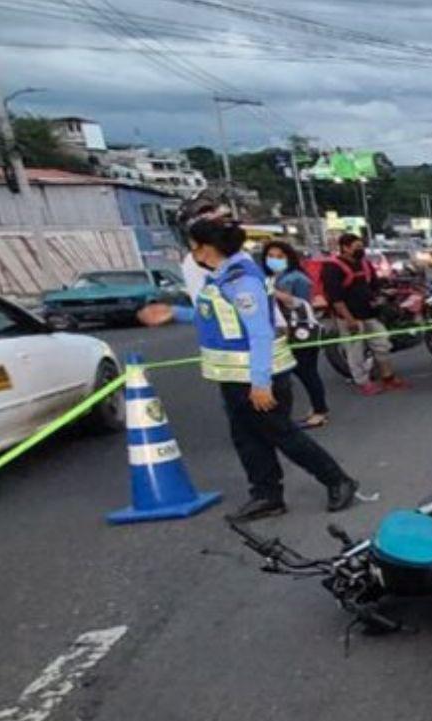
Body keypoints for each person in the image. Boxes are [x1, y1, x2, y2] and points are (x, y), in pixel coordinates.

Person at [139, 217, 358, 521]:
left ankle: (337, 480)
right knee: (248, 439)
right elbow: (217, 316)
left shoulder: (241, 280)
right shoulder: (222, 276)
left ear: (205, 249)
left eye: (193, 247)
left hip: (256, 377)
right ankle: (267, 495)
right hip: (235, 377)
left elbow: (260, 333)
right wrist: (174, 313)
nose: (192, 253)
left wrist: (260, 382)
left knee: (282, 434)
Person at [323, 233, 407, 395]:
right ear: (345, 248)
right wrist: (349, 319)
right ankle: (363, 382)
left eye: (361, 247)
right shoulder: (333, 268)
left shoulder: (365, 264)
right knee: (355, 351)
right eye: (357, 247)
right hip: (349, 317)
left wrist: (384, 293)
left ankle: (388, 377)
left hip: (369, 314)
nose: (361, 250)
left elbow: (374, 286)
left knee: (382, 344)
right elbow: (335, 299)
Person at [263, 240, 328, 429]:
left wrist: (273, 292)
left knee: (307, 372)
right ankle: (317, 408)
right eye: (270, 256)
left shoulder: (297, 278)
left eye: (279, 256)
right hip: (283, 333)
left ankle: (320, 411)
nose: (274, 260)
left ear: (289, 258)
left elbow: (303, 304)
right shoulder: (271, 278)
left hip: (300, 332)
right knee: (299, 372)